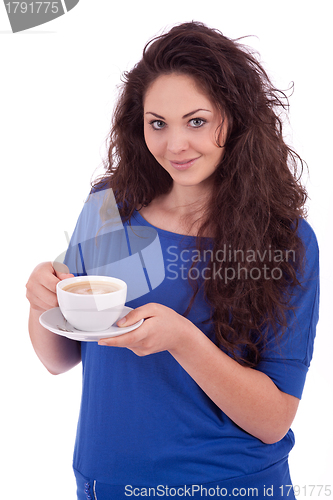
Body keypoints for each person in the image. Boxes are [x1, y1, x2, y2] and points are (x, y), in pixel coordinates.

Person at [26, 21, 319, 499]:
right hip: (106, 483)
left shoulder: (286, 241)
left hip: (229, 486)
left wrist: (183, 340)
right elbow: (58, 358)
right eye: (157, 123)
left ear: (236, 119)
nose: (175, 145)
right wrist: (42, 300)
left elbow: (273, 420)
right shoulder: (109, 208)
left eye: (196, 121)